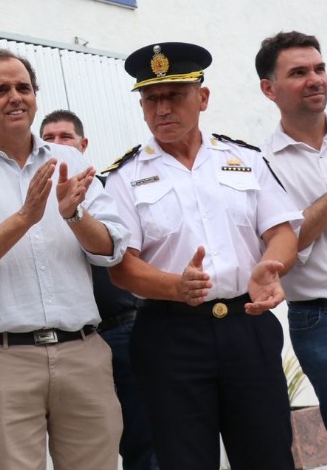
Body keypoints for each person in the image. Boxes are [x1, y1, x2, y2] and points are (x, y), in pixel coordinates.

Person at [104, 41, 300, 470]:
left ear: (203, 98)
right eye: (151, 99)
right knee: (184, 460)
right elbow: (122, 268)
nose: (162, 108)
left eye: (174, 95)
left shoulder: (244, 159)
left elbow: (282, 232)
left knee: (268, 455)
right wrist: (173, 286)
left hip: (246, 326)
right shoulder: (124, 177)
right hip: (170, 336)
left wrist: (272, 267)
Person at [0, 49, 125, 470]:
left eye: (23, 87)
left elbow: (112, 246)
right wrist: (25, 218)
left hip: (82, 355)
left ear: (36, 96)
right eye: (0, 90)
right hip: (3, 362)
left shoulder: (70, 161)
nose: (15, 97)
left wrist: (74, 215)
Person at [40, 110, 158, 470]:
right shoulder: (35, 203)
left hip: (122, 330)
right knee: (87, 447)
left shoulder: (107, 190)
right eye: (49, 139)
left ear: (83, 145)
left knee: (143, 439)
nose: (58, 145)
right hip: (72, 341)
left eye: (65, 137)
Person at [257, 31, 327, 456]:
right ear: (268, 89)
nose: (315, 79)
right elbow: (286, 246)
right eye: (299, 73)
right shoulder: (261, 165)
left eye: (320, 69)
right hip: (324, 319)